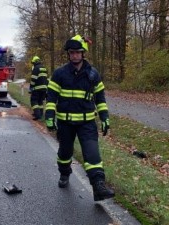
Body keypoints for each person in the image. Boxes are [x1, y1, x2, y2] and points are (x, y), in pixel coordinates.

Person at [45, 35, 114, 201]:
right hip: (65, 123)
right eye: (71, 52)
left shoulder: (93, 74)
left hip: (87, 123)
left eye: (77, 52)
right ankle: (64, 173)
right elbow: (52, 97)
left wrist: (105, 117)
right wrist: (49, 115)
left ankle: (99, 187)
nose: (74, 55)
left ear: (83, 53)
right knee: (64, 153)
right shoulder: (59, 73)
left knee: (92, 155)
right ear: (69, 54)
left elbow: (100, 99)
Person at [29, 56, 48, 120]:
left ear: (35, 62)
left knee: (34, 101)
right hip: (44, 88)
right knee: (40, 102)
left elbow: (33, 79)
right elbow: (46, 79)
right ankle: (40, 114)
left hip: (37, 88)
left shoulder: (36, 68)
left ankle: (37, 115)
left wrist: (31, 88)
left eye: (33, 63)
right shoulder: (44, 68)